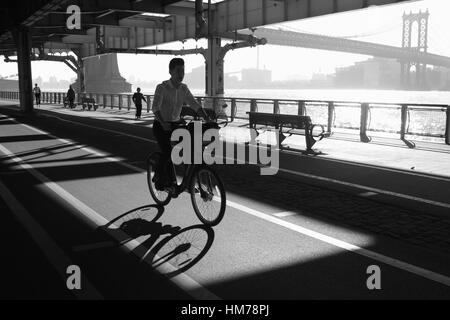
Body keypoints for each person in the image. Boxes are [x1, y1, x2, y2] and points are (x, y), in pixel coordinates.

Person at [151, 57, 209, 192]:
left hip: (176, 126)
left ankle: (188, 183)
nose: (181, 74)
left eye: (183, 71)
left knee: (190, 150)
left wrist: (207, 118)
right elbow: (155, 107)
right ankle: (159, 180)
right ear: (170, 72)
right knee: (168, 153)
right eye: (178, 71)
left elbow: (194, 105)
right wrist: (163, 122)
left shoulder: (184, 88)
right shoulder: (162, 87)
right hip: (161, 126)